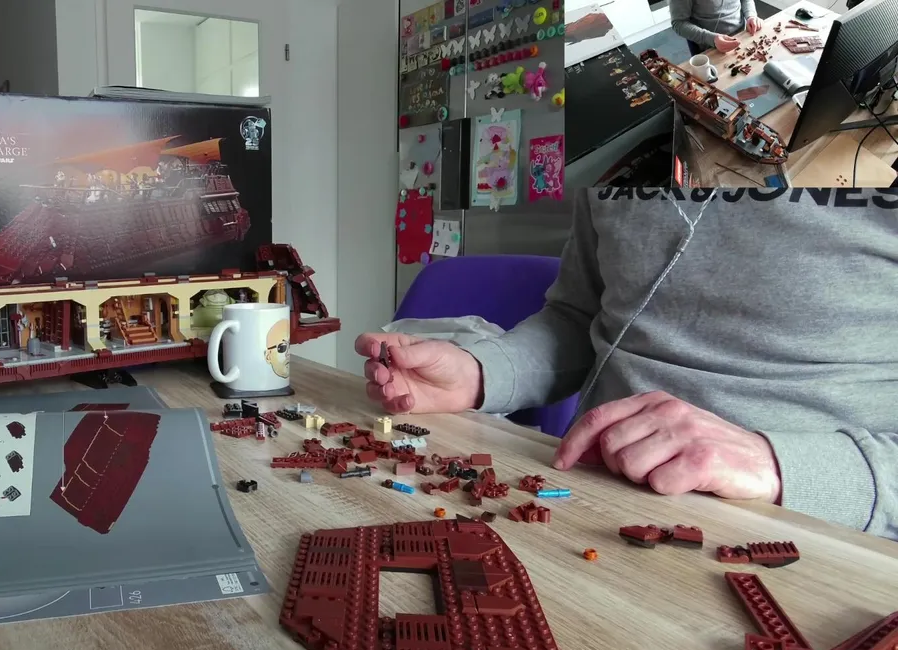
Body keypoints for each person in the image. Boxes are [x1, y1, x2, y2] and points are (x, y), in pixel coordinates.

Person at [358, 187, 898, 540]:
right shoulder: (622, 137)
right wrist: (483, 372)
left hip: (815, 532)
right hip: (592, 504)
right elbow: (578, 318)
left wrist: (780, 465)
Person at [670, 0, 761, 55]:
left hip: (743, 35)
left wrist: (751, 15)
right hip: (711, 46)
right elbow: (678, 23)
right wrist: (711, 39)